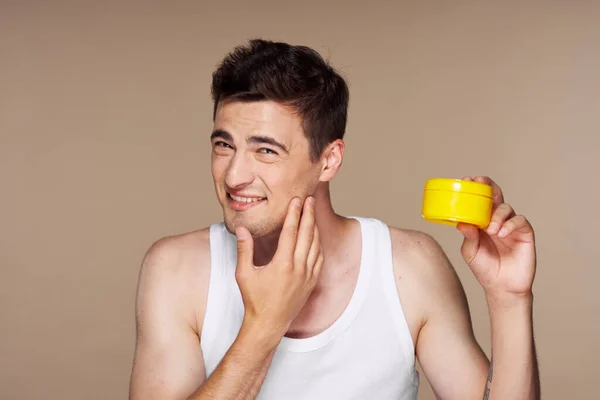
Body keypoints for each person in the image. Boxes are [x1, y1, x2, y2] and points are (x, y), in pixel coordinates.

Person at [129, 39, 540, 400]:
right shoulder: (176, 270)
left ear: (329, 160)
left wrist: (509, 299)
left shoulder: (407, 267)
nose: (234, 176)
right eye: (224, 145)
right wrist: (265, 324)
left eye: (266, 151)